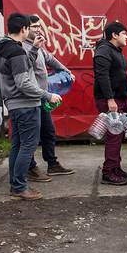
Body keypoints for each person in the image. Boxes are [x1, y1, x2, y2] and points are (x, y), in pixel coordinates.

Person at [0, 13, 62, 200]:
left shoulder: (8, 48)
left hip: (16, 105)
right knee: (28, 146)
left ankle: (16, 184)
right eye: (30, 28)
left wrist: (34, 50)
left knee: (18, 145)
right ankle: (19, 187)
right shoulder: (15, 51)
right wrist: (48, 95)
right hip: (25, 104)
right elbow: (23, 82)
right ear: (23, 29)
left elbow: (24, 68)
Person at [23, 15, 75, 181]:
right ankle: (30, 168)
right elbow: (24, 71)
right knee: (32, 135)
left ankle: (52, 164)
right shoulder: (23, 48)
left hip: (43, 98)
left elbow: (51, 60)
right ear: (25, 29)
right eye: (34, 27)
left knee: (48, 131)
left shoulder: (39, 47)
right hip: (31, 98)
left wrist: (67, 72)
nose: (38, 29)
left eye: (39, 26)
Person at [93, 21, 127, 186]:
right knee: (113, 136)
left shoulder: (116, 51)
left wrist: (126, 101)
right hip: (110, 100)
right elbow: (102, 76)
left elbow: (120, 78)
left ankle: (116, 168)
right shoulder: (103, 50)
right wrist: (110, 99)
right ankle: (108, 172)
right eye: (124, 33)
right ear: (114, 35)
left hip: (119, 99)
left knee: (119, 135)